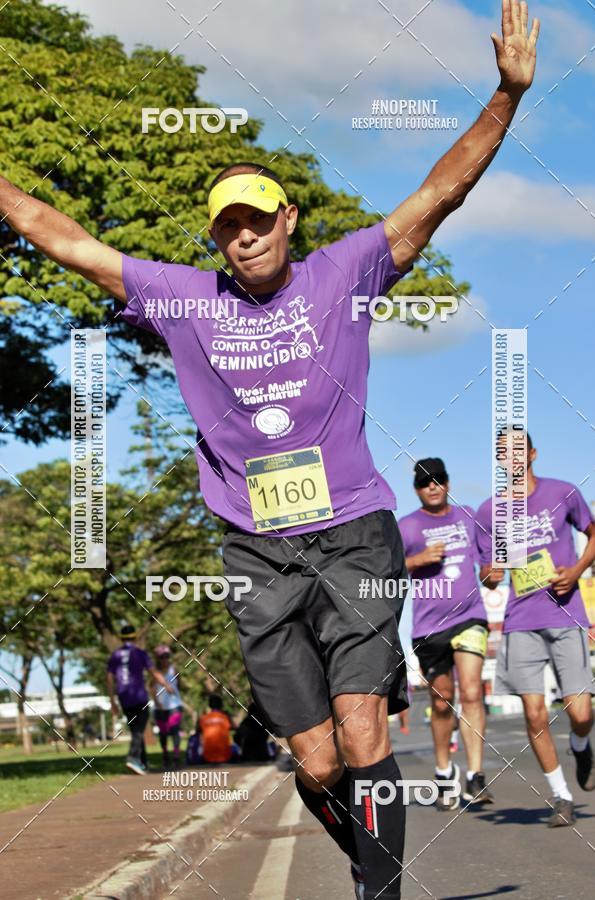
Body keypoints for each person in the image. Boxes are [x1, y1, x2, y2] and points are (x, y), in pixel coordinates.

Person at [0, 4, 540, 893]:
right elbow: (68, 241)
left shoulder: (348, 270)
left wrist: (506, 96)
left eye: (256, 219)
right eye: (225, 227)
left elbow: (439, 193)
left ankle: (381, 889)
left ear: (288, 218)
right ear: (213, 237)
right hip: (257, 554)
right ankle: (371, 860)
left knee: (365, 732)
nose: (242, 236)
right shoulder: (182, 299)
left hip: (356, 535)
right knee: (319, 763)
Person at [477, 433, 595, 827]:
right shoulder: (488, 511)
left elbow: (594, 534)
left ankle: (581, 745)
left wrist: (577, 571)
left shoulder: (563, 493)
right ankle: (561, 796)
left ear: (532, 454)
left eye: (518, 449)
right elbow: (488, 573)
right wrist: (492, 574)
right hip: (521, 621)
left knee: (580, 711)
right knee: (534, 713)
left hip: (566, 614)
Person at [398, 458, 494, 810]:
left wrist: (491, 571)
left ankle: (476, 776)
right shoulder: (406, 527)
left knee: (471, 690)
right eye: (425, 482)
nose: (433, 486)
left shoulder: (468, 516)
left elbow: (488, 558)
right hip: (428, 628)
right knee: (441, 702)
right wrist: (417, 559)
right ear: (417, 490)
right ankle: (443, 772)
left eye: (438, 480)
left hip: (470, 617)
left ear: (448, 484)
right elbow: (386, 569)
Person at [106, 625, 174, 774]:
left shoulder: (115, 655)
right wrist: (166, 684)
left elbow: (110, 678)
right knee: (139, 730)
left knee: (136, 729)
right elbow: (153, 672)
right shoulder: (140, 653)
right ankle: (132, 757)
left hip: (123, 698)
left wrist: (112, 701)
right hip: (139, 697)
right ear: (135, 637)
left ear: (121, 638)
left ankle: (142, 763)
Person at [152, 644, 185, 770]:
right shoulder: (155, 672)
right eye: (162, 657)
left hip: (174, 705)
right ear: (157, 658)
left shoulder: (174, 669)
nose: (165, 659)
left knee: (175, 730)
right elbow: (152, 688)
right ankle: (165, 755)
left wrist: (177, 696)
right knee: (163, 733)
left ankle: (176, 756)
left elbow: (179, 684)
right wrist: (157, 702)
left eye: (167, 656)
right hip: (160, 707)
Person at [199, 694, 234, 764]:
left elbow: (199, 732)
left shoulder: (204, 718)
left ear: (209, 705)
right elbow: (234, 727)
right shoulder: (225, 717)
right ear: (221, 705)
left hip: (207, 757)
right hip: (225, 756)